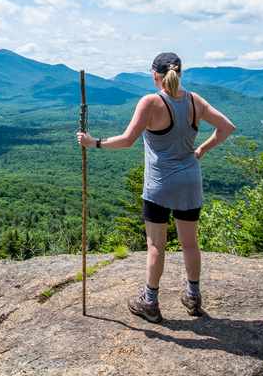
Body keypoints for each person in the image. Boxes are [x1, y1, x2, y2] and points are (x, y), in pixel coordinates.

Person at [77, 52, 235, 322]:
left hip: (160, 184)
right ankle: (193, 297)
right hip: (190, 182)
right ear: (180, 74)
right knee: (190, 243)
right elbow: (227, 127)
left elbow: (127, 140)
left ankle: (150, 302)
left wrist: (94, 143)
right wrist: (202, 150)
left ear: (155, 76)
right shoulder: (194, 101)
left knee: (156, 245)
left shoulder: (151, 101)